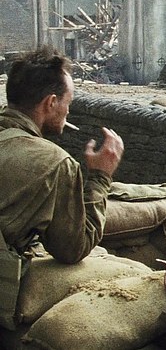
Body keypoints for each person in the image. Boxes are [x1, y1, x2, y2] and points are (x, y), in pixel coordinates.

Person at [0, 47, 124, 326]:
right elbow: (73, 249)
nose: (68, 111)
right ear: (51, 102)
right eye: (68, 103)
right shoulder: (55, 163)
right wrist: (101, 176)